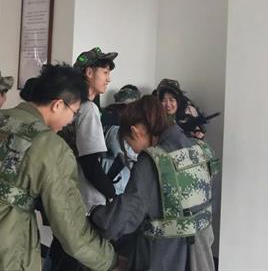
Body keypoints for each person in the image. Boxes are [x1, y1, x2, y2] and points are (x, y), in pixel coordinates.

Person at [0, 63, 117, 271]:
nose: (70, 121)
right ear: (58, 105)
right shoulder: (51, 147)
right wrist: (109, 260)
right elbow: (71, 231)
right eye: (74, 113)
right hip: (2, 263)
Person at [90, 95, 219, 271]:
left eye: (129, 143)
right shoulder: (200, 149)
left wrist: (96, 214)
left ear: (136, 132)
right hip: (201, 257)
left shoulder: (152, 162)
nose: (132, 150)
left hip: (164, 259)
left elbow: (117, 223)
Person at [48, 47, 118, 270]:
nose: (108, 78)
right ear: (89, 72)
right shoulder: (88, 110)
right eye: (105, 72)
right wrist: (112, 194)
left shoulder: (70, 107)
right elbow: (90, 164)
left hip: (64, 193)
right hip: (85, 200)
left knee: (60, 253)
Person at [101, 85, 142, 195]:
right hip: (117, 186)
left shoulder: (127, 129)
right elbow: (125, 157)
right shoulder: (115, 130)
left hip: (123, 185)